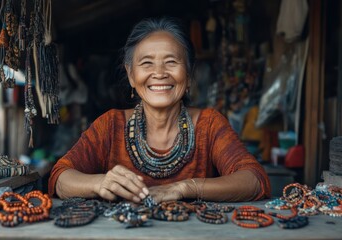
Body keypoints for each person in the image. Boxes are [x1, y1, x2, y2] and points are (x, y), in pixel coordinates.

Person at [48, 17, 271, 203]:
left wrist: (183, 188)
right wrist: (99, 183)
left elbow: (254, 180)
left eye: (171, 62)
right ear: (131, 75)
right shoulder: (111, 125)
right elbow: (60, 178)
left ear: (189, 74)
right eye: (146, 63)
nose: (159, 73)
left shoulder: (209, 124)